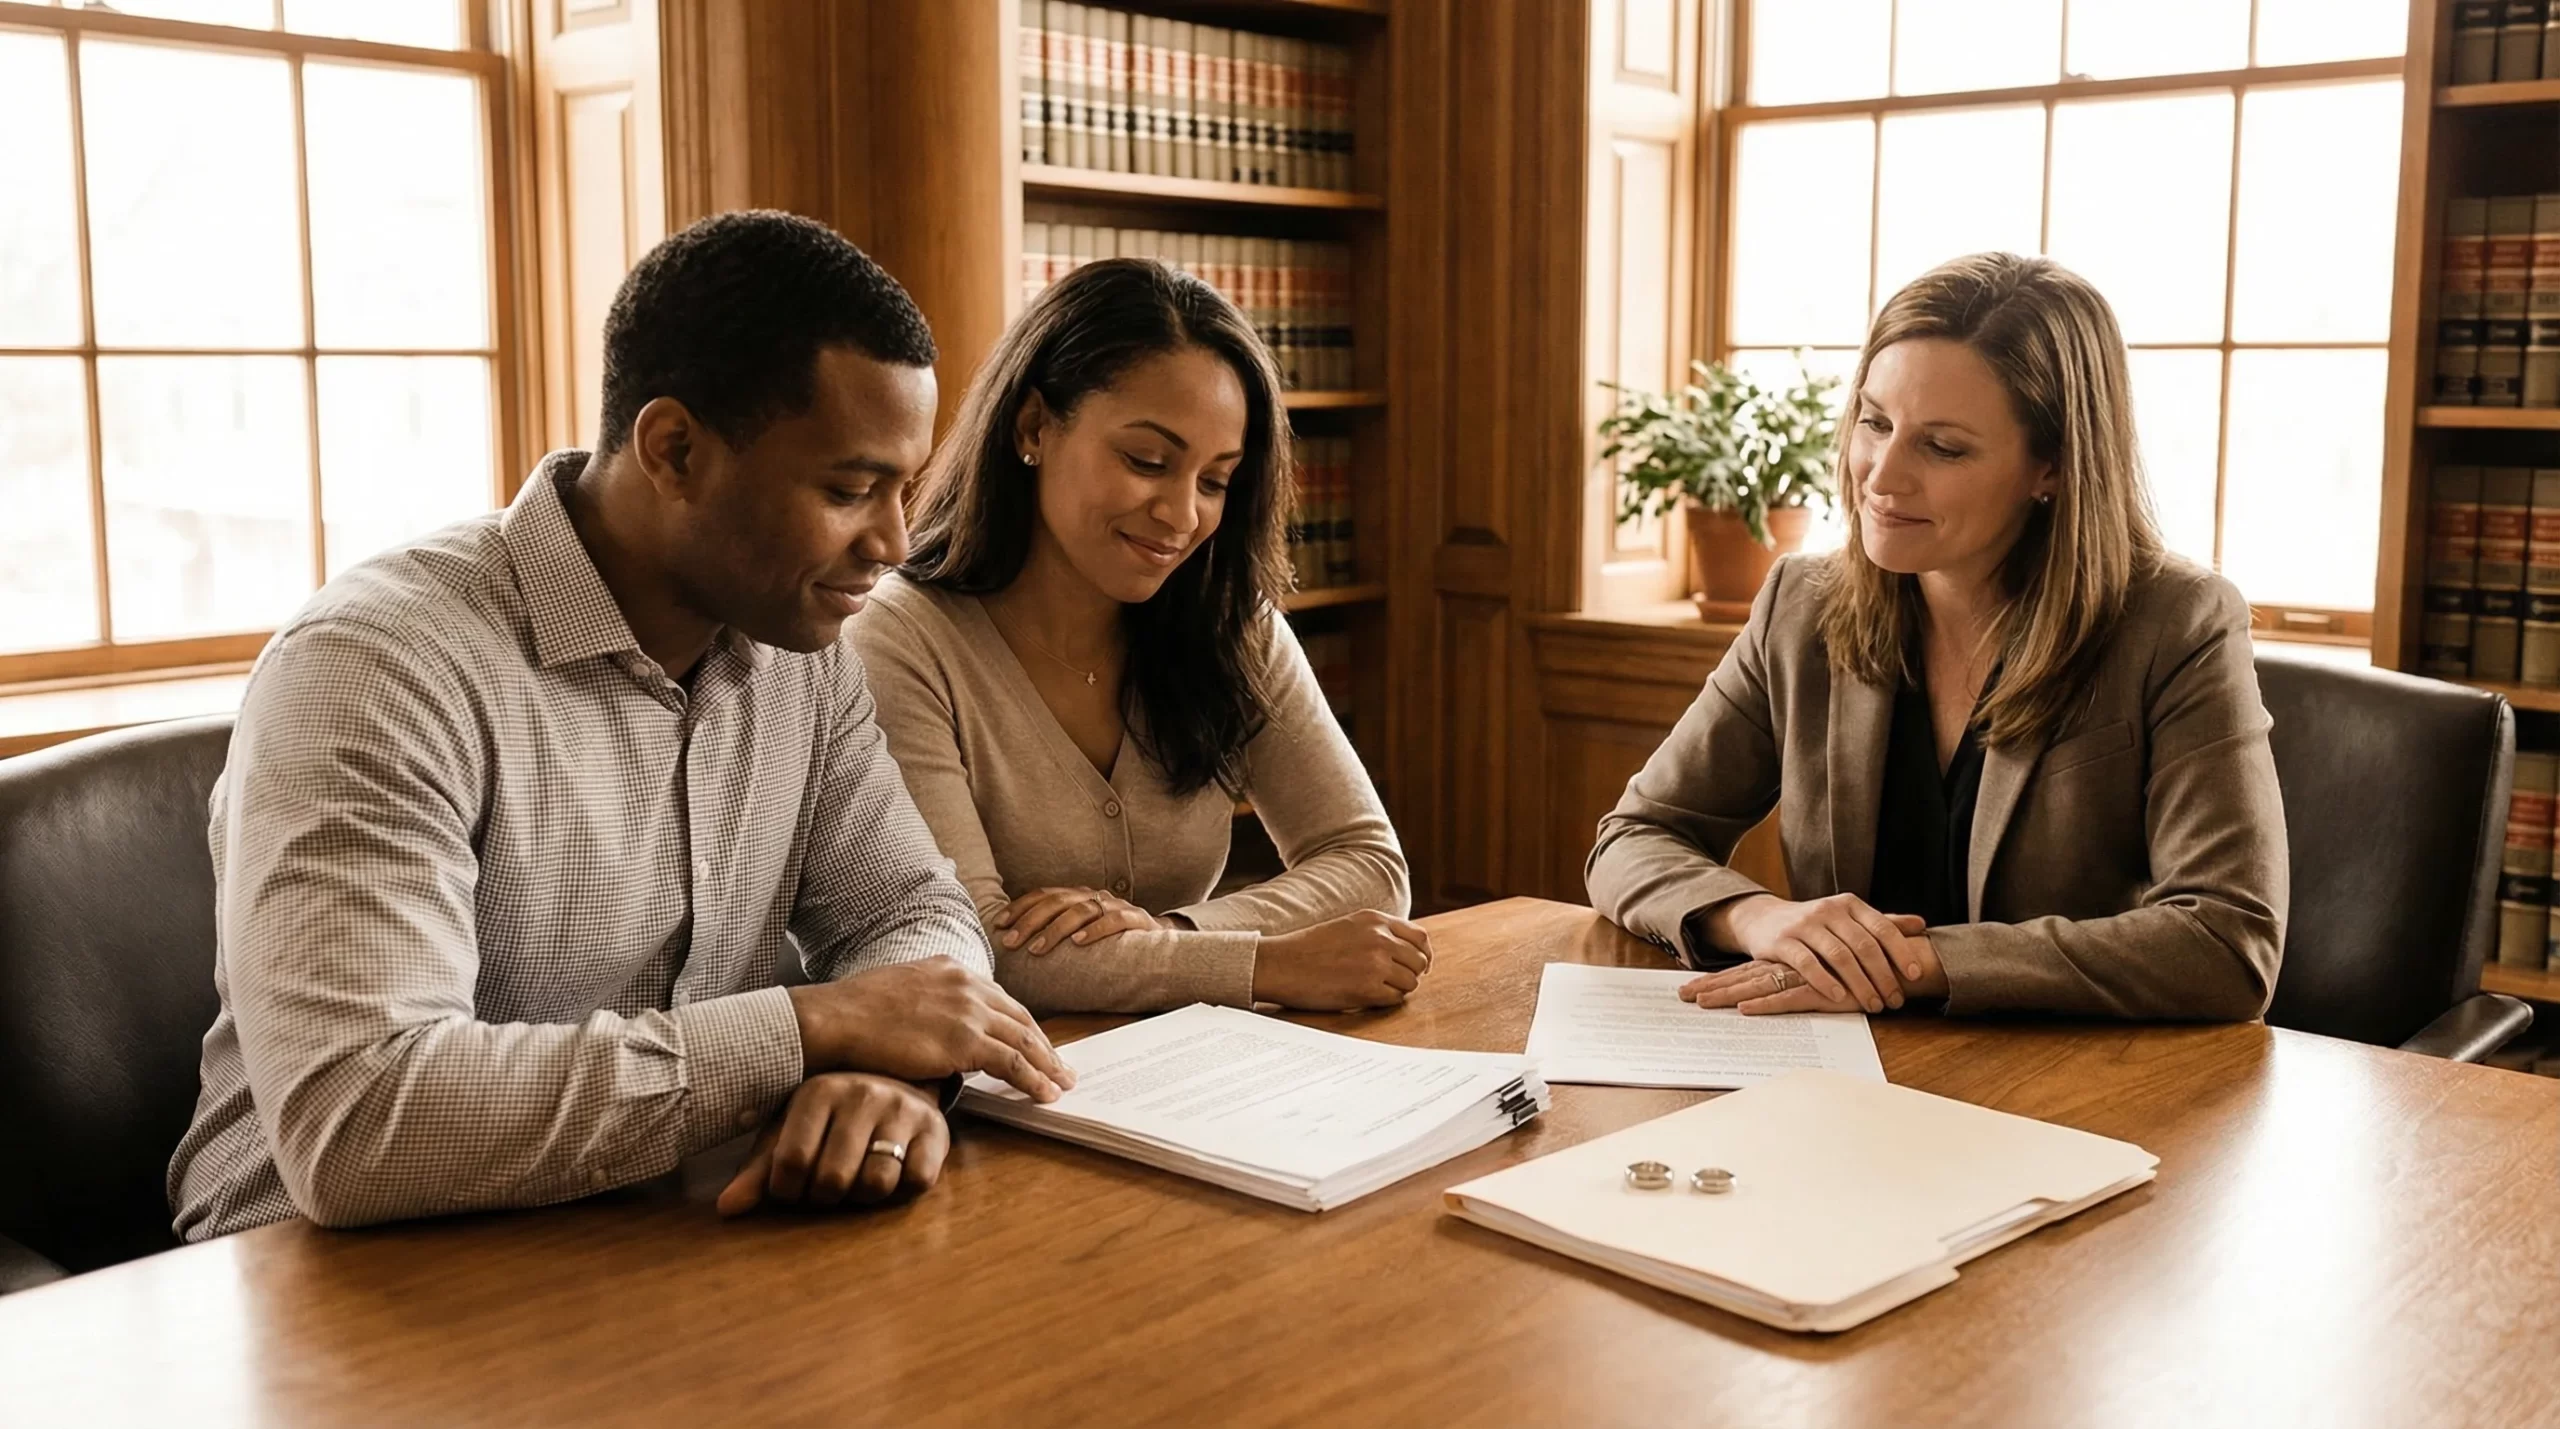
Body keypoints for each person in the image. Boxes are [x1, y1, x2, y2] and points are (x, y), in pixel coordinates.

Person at [168, 210, 1073, 1242]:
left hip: (645, 1232)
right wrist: (811, 1028)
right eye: (848, 489)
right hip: (315, 1290)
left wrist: (885, 1074)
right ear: (675, 450)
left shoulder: (802, 654)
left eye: (905, 490)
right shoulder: (376, 667)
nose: (893, 543)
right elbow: (363, 1120)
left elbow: (913, 914)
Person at [1587, 252, 2287, 1022]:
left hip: (2069, 1095)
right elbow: (1635, 836)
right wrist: (1757, 917)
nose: (1882, 475)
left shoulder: (2177, 623)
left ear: (2050, 467)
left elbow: (2228, 939)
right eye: (1874, 423)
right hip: (1842, 1079)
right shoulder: (1802, 604)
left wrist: (1912, 963)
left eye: (1943, 447)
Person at [846, 257, 1425, 1016]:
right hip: (990, 1094)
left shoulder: (1233, 622)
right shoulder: (901, 638)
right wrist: (1265, 965)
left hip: (1178, 1075)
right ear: (1033, 428)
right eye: (1147, 461)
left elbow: (1371, 865)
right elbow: (978, 948)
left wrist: (1171, 932)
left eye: (1215, 481)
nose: (1182, 515)